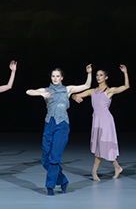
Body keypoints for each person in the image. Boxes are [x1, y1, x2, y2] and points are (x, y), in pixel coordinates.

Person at [26, 65, 92, 195]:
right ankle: (63, 181)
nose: (55, 78)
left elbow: (86, 85)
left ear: (61, 77)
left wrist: (89, 73)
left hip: (62, 125)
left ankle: (50, 186)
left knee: (54, 156)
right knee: (45, 159)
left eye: (57, 76)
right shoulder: (46, 90)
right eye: (53, 76)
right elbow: (28, 91)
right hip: (48, 124)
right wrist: (41, 93)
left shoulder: (67, 89)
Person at [72, 64, 130, 180]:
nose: (98, 77)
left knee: (102, 146)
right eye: (97, 75)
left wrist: (125, 72)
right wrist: (75, 97)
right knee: (101, 146)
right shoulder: (92, 91)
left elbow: (126, 86)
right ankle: (117, 167)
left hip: (106, 122)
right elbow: (74, 94)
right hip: (96, 121)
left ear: (106, 77)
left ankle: (94, 172)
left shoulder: (109, 91)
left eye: (101, 75)